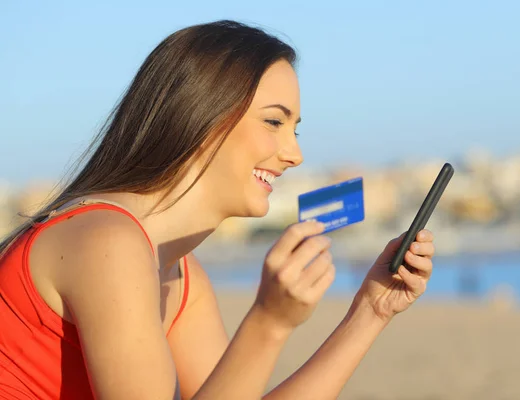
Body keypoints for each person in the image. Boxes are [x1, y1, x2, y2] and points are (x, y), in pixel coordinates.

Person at [0, 20, 436, 400]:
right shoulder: (105, 241)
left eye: (296, 129)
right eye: (273, 122)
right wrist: (268, 323)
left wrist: (370, 312)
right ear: (200, 117)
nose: (294, 154)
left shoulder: (181, 275)